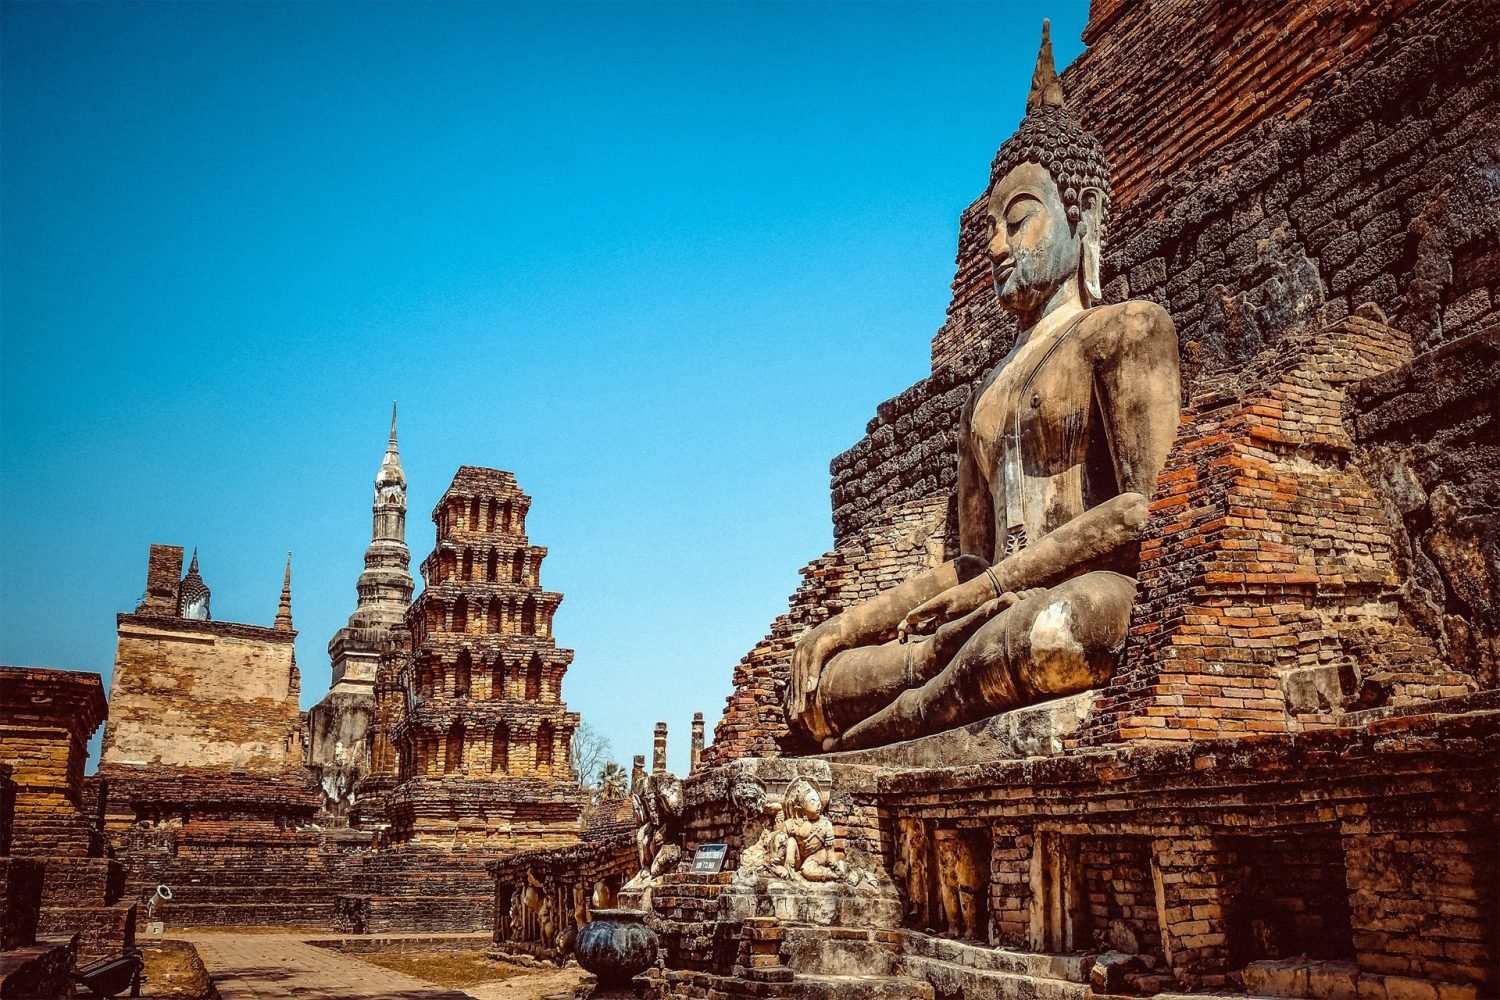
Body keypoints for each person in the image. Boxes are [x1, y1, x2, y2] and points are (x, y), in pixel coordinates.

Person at [788, 21, 1180, 752]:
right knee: (824, 676)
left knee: (1057, 632)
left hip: (1079, 593)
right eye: (990, 229)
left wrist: (997, 591)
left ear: (1083, 214)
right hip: (982, 617)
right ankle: (925, 682)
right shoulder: (985, 394)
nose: (998, 246)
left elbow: (1140, 513)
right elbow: (971, 558)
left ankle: (894, 721)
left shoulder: (1125, 331)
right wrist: (841, 627)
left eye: (1019, 221)